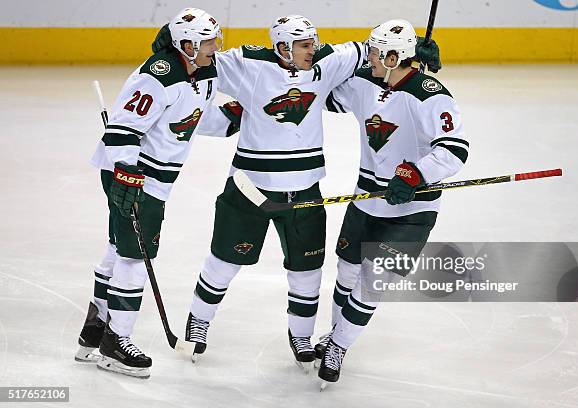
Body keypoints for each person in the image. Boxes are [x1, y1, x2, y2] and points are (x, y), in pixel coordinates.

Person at [151, 15, 441, 370]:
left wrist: (413, 56)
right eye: (304, 45)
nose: (313, 49)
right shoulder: (248, 63)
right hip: (249, 189)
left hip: (305, 194)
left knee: (307, 270)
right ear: (282, 47)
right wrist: (165, 56)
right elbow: (197, 61)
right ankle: (199, 322)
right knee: (224, 261)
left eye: (313, 42)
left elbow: (376, 52)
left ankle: (301, 336)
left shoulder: (327, 61)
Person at [75, 8, 236, 378]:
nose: (218, 47)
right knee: (134, 256)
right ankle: (117, 342)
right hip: (134, 177)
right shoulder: (157, 76)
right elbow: (122, 130)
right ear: (187, 44)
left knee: (118, 248)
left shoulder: (203, 73)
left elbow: (189, 121)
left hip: (153, 179)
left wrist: (232, 118)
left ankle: (93, 332)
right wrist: (127, 173)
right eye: (210, 41)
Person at [314, 19, 469, 387]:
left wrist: (416, 174)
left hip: (412, 211)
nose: (368, 56)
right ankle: (337, 333)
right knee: (347, 272)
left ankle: (338, 344)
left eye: (374, 51)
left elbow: (455, 148)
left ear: (394, 55)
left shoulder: (432, 95)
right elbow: (328, 88)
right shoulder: (367, 81)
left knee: (373, 282)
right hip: (367, 198)